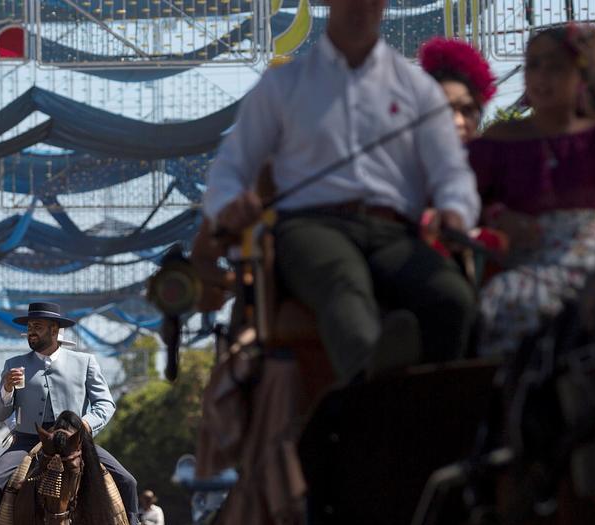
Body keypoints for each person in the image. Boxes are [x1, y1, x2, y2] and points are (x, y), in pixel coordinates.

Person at [202, 0, 480, 385]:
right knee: (343, 282)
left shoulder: (417, 89)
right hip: (310, 229)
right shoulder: (283, 85)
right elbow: (229, 171)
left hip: (394, 233)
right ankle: (367, 398)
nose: (360, 6)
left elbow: (452, 173)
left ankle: (431, 410)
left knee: (452, 296)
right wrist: (231, 204)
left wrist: (454, 209)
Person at [469, 24, 595, 356]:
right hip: (525, 258)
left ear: (580, 75)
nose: (542, 75)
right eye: (533, 64)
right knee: (504, 301)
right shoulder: (500, 139)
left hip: (589, 257)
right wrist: (499, 217)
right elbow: (468, 199)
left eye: (555, 65)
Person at [0, 302, 136, 525]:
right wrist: (6, 389)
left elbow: (105, 404)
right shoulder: (14, 365)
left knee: (126, 481)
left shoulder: (84, 361)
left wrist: (85, 426)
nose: (31, 332)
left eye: (37, 327)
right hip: (28, 441)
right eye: (28, 328)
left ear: (55, 329)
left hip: (75, 441)